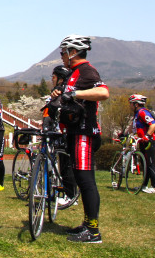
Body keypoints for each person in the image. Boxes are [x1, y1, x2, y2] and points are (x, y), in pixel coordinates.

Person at [52, 34, 109, 243]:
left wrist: (75, 95)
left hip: (84, 133)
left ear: (73, 52)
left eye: (63, 52)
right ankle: (87, 224)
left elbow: (103, 92)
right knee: (81, 179)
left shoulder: (86, 70)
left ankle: (93, 232)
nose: (61, 56)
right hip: (74, 132)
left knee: (86, 181)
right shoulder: (73, 73)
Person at [43, 65, 77, 207]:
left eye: (54, 76)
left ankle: (70, 195)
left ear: (61, 79)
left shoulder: (62, 92)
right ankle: (65, 192)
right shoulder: (57, 91)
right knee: (62, 164)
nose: (52, 79)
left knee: (65, 165)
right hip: (59, 132)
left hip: (65, 132)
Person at [128, 94, 155, 194]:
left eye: (131, 104)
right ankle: (144, 185)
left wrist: (147, 136)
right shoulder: (137, 114)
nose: (130, 105)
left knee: (150, 164)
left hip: (150, 141)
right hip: (142, 141)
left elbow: (153, 124)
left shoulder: (143, 112)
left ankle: (154, 187)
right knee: (144, 164)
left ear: (136, 104)